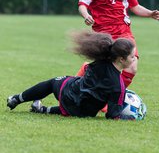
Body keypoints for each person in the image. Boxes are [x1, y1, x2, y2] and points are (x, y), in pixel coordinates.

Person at [7, 30, 144, 120]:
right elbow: (113, 115)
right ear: (121, 59)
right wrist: (133, 116)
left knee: (53, 83)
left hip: (67, 93)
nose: (134, 59)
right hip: (82, 113)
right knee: (80, 105)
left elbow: (87, 67)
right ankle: (42, 109)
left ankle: (16, 99)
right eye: (132, 57)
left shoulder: (101, 61)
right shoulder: (118, 87)